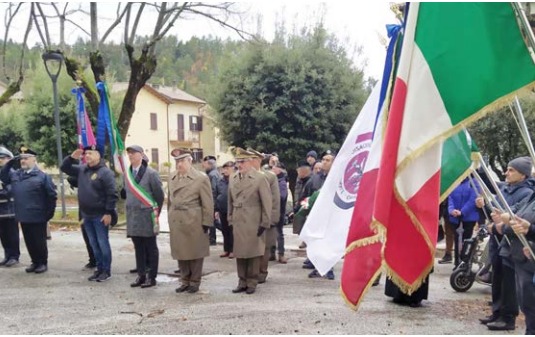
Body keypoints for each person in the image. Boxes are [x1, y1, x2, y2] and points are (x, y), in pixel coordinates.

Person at [477, 156, 533, 330]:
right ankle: (497, 311)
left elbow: (517, 218)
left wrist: (502, 225)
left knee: (510, 284)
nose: (506, 173)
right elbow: (496, 209)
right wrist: (485, 207)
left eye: (511, 170)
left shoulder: (526, 193)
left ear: (523, 175)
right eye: (507, 169)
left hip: (513, 243)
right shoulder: (506, 189)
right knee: (498, 278)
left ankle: (508, 317)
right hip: (500, 241)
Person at [61, 145, 117, 282]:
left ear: (98, 155)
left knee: (102, 243)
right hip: (86, 215)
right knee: (93, 243)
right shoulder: (82, 170)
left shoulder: (105, 172)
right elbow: (64, 168)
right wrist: (71, 158)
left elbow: (112, 194)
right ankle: (98, 269)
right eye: (86, 154)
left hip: (100, 215)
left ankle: (106, 271)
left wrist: (109, 212)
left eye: (90, 153)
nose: (87, 156)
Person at [0, 145, 57, 274]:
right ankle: (34, 262)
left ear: (33, 160)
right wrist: (10, 163)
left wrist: (49, 213)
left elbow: (51, 196)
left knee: (39, 241)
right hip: (23, 215)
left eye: (26, 158)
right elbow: (3, 176)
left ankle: (42, 262)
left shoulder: (42, 176)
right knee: (29, 241)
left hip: (37, 214)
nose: (23, 161)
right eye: (21, 159)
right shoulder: (17, 175)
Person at [168, 148, 213, 294]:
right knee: (180, 252)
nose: (179, 164)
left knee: (195, 253)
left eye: (182, 161)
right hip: (177, 219)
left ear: (190, 161)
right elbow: (170, 200)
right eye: (176, 161)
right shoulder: (172, 176)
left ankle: (194, 281)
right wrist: (170, 217)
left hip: (193, 219)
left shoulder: (200, 178)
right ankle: (184, 280)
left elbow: (208, 202)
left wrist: (207, 222)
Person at [228, 147, 272, 294]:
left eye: (242, 162)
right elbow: (230, 201)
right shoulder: (233, 178)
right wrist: (230, 218)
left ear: (249, 162)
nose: (239, 165)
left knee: (253, 252)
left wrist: (265, 222)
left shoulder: (259, 178)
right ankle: (242, 281)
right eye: (237, 162)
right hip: (238, 218)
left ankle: (252, 282)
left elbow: (267, 202)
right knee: (239, 252)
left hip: (253, 219)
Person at [123, 145, 164, 289]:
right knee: (138, 247)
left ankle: (151, 277)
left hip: (147, 216)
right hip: (133, 216)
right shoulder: (127, 174)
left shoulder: (151, 173)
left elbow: (159, 195)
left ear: (141, 154)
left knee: (150, 248)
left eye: (134, 153)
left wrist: (155, 212)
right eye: (129, 153)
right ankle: (141, 275)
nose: (131, 156)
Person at [498, 192, 535, 335]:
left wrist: (530, 229)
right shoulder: (531, 196)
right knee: (528, 306)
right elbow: (515, 217)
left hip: (530, 260)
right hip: (522, 258)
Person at [247, 148, 280, 284]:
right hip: (249, 218)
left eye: (252, 159)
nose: (249, 162)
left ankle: (262, 272)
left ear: (259, 160)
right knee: (251, 247)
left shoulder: (269, 176)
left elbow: (275, 200)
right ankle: (250, 273)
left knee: (264, 248)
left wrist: (271, 219)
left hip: (265, 218)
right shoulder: (244, 176)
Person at [302, 150, 336, 280]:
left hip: (331, 217)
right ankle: (317, 267)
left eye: (328, 160)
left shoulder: (338, 179)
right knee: (317, 242)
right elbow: (306, 195)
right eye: (323, 160)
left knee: (329, 243)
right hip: (317, 217)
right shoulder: (315, 178)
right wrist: (304, 205)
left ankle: (329, 268)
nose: (324, 162)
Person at [448, 177, 480, 268]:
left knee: (467, 241)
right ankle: (457, 262)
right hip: (454, 217)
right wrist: (451, 210)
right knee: (457, 240)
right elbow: (450, 198)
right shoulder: (454, 181)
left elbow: (473, 199)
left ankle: (465, 262)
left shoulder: (474, 182)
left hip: (469, 217)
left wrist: (462, 212)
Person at [0, 146, 20, 267]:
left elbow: (11, 190)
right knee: (3, 236)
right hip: (1, 211)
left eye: (2, 158)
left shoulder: (13, 173)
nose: (0, 161)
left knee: (12, 235)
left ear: (9, 159)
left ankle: (14, 256)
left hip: (10, 210)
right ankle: (7, 255)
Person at [215, 161, 235, 258]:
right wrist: (216, 210)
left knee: (232, 231)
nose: (225, 171)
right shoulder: (220, 181)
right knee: (224, 230)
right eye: (224, 168)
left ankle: (233, 250)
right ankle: (226, 249)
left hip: (233, 210)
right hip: (222, 209)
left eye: (227, 168)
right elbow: (216, 195)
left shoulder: (235, 180)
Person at [271, 161, 289, 264]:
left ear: (279, 170)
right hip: (272, 211)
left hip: (279, 212)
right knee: (271, 234)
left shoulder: (281, 182)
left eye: (274, 168)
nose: (272, 170)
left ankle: (281, 254)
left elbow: (282, 197)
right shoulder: (274, 181)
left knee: (278, 233)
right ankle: (272, 253)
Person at [293, 160, 312, 249]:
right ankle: (304, 240)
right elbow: (298, 192)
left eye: (299, 171)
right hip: (301, 203)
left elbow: (306, 195)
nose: (298, 173)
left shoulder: (310, 181)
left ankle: (306, 241)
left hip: (307, 204)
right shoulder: (300, 180)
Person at [202, 155, 220, 246]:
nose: (203, 166)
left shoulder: (212, 175)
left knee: (214, 221)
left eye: (205, 164)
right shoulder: (214, 173)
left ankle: (212, 239)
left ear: (209, 164)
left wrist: (212, 204)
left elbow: (212, 190)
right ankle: (212, 239)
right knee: (214, 221)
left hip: (213, 201)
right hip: (214, 201)